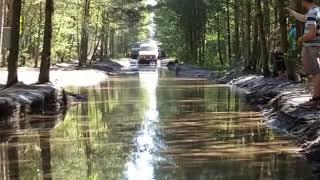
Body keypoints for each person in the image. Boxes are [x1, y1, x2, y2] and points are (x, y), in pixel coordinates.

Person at [286, 0, 320, 107]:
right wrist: (292, 12)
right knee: (316, 72)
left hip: (312, 47)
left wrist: (300, 39)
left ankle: (316, 99)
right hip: (316, 46)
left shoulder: (312, 13)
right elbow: (304, 18)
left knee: (316, 72)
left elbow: (311, 34)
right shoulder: (317, 10)